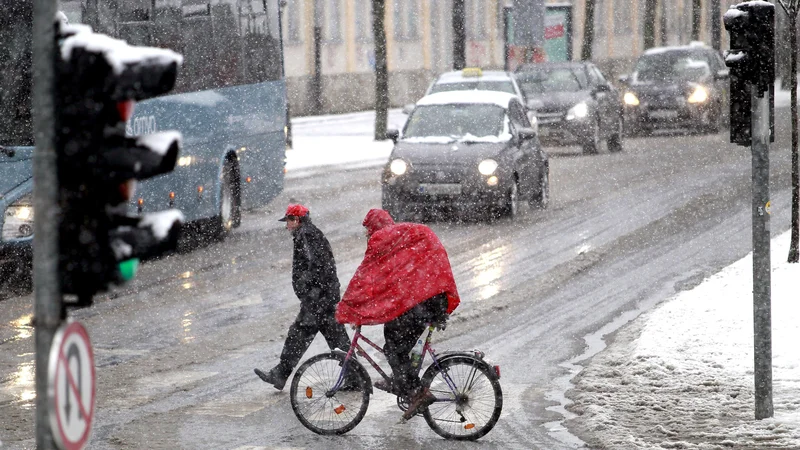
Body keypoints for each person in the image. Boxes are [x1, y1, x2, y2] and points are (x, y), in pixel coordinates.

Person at [336, 209, 460, 420]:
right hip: (432, 299)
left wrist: (350, 307)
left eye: (368, 229)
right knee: (395, 334)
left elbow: (366, 279)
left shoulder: (383, 240)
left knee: (394, 349)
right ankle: (400, 379)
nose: (367, 235)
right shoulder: (401, 236)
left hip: (422, 304)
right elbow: (389, 282)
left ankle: (417, 393)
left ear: (374, 227)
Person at [254, 204, 351, 390]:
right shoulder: (309, 233)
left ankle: (280, 374)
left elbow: (316, 265)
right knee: (337, 339)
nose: (286, 226)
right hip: (324, 297)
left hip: (317, 299)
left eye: (289, 221)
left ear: (296, 220)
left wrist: (308, 289)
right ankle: (355, 377)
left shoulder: (306, 235)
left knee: (298, 335)